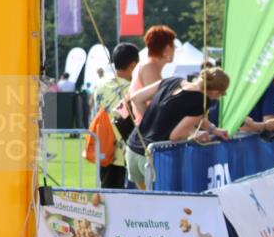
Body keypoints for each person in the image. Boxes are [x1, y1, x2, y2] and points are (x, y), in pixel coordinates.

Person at [125, 67, 230, 190]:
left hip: (132, 150)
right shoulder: (202, 102)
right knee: (162, 205)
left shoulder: (172, 80)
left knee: (146, 203)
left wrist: (213, 129)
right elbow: (175, 135)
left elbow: (136, 98)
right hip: (154, 157)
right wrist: (194, 136)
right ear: (216, 92)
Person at [92, 44, 139, 188]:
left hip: (104, 150)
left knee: (108, 201)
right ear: (133, 65)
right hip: (126, 153)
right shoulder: (132, 89)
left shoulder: (99, 85)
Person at [131, 25, 176, 120]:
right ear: (168, 48)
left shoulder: (146, 65)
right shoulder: (149, 67)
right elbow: (158, 103)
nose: (175, 49)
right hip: (148, 131)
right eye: (173, 46)